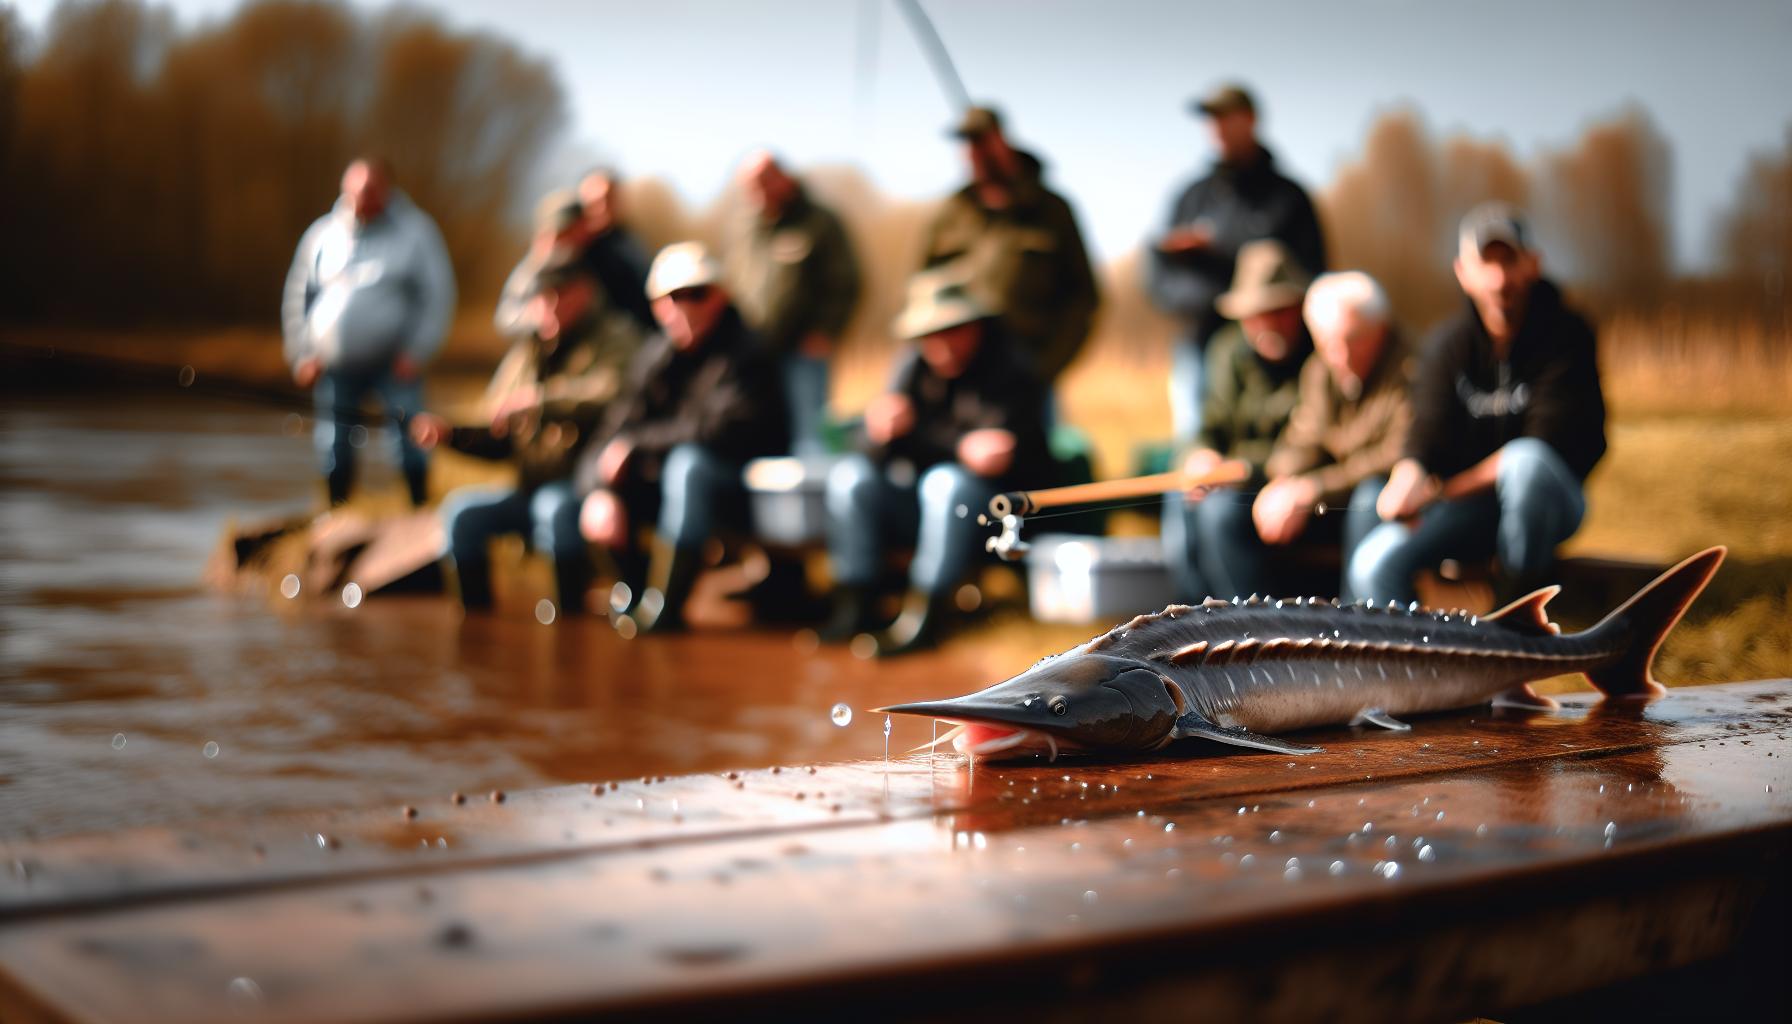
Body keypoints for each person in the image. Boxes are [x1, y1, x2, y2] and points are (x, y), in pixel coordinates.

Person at [1348, 203, 1607, 605]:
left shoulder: (1568, 336)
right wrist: (1408, 475)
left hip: (1552, 501)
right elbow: (1426, 431)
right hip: (1472, 512)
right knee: (1372, 564)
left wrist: (1446, 490)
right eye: (1486, 263)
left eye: (1510, 261)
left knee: (1526, 463)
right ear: (1462, 273)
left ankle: (1518, 612)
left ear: (1533, 264)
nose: (1500, 279)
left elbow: (1548, 441)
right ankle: (1413, 663)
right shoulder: (1445, 346)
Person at [822, 272, 1054, 656]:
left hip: (993, 515)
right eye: (931, 334)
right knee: (851, 477)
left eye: (953, 329)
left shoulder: (1013, 370)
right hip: (920, 505)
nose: (942, 344)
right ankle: (855, 604)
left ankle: (925, 616)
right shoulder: (910, 367)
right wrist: (877, 432)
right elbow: (883, 451)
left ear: (975, 325)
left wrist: (933, 442)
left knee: (947, 483)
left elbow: (1003, 457)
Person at [575, 242, 790, 634]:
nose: (685, 306)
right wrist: (598, 491)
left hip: (740, 485)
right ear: (656, 306)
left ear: (720, 296)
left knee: (688, 465)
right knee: (603, 494)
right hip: (668, 487)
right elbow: (611, 433)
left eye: (697, 294)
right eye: (673, 298)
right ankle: (637, 595)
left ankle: (665, 608)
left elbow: (722, 430)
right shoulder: (653, 357)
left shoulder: (748, 351)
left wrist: (639, 444)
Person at [413, 258, 637, 615]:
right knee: (461, 514)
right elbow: (497, 436)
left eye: (556, 293)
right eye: (540, 295)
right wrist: (449, 435)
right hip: (527, 488)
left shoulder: (616, 338)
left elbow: (612, 394)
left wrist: (540, 402)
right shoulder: (525, 354)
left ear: (584, 291)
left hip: (584, 485)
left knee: (554, 507)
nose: (546, 304)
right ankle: (477, 634)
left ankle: (569, 627)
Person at [1194, 271, 1412, 600]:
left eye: (1354, 340)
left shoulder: (1411, 372)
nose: (1342, 355)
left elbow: (1394, 456)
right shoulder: (1320, 370)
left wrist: (1311, 489)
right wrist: (1281, 483)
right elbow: (1303, 437)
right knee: (1222, 510)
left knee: (1371, 497)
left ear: (1380, 328)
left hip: (1373, 504)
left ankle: (1356, 635)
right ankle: (1253, 634)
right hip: (1324, 504)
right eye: (1329, 343)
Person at [1147, 83, 1326, 443]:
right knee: (1197, 448)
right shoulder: (1192, 197)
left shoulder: (1287, 198)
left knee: (1280, 446)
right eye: (1210, 120)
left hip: (1274, 356)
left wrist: (1241, 281)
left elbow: (1312, 275)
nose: (1217, 128)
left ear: (1251, 120)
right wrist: (1206, 300)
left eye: (1226, 118)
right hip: (1199, 344)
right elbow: (1157, 276)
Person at [282, 157, 456, 508]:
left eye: (373, 191)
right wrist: (302, 353)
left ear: (387, 190)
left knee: (408, 439)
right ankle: (335, 514)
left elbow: (437, 296)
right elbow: (299, 296)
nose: (364, 198)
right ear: (345, 190)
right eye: (358, 191)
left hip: (396, 364)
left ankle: (418, 508)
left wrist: (418, 351)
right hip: (333, 366)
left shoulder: (416, 232)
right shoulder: (322, 235)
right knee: (334, 441)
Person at [1161, 239, 1314, 602]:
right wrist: (1199, 455)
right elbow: (1207, 423)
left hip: (1293, 484)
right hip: (1228, 480)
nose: (1268, 324)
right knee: (1183, 492)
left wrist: (1240, 468)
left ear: (1298, 307)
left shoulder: (1321, 354)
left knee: (1219, 513)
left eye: (1279, 310)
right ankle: (1192, 615)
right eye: (1257, 313)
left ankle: (1253, 630)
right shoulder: (1226, 349)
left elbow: (1312, 442)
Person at [917, 105, 1098, 394]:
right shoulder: (951, 213)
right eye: (965, 144)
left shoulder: (1050, 211)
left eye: (980, 141)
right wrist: (934, 352)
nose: (973, 152)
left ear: (1003, 142)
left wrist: (1047, 366)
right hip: (957, 372)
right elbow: (919, 290)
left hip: (1027, 367)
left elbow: (1083, 297)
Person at [723, 150, 862, 455]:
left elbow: (846, 282)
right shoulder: (744, 229)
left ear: (783, 178)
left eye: (763, 181)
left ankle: (813, 496)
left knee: (809, 436)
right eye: (749, 185)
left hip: (804, 350)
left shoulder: (818, 221)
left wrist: (826, 330)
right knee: (759, 430)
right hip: (753, 352)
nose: (757, 191)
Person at [572, 167, 657, 333]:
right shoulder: (579, 255)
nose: (603, 207)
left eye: (609, 198)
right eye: (595, 202)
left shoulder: (626, 236)